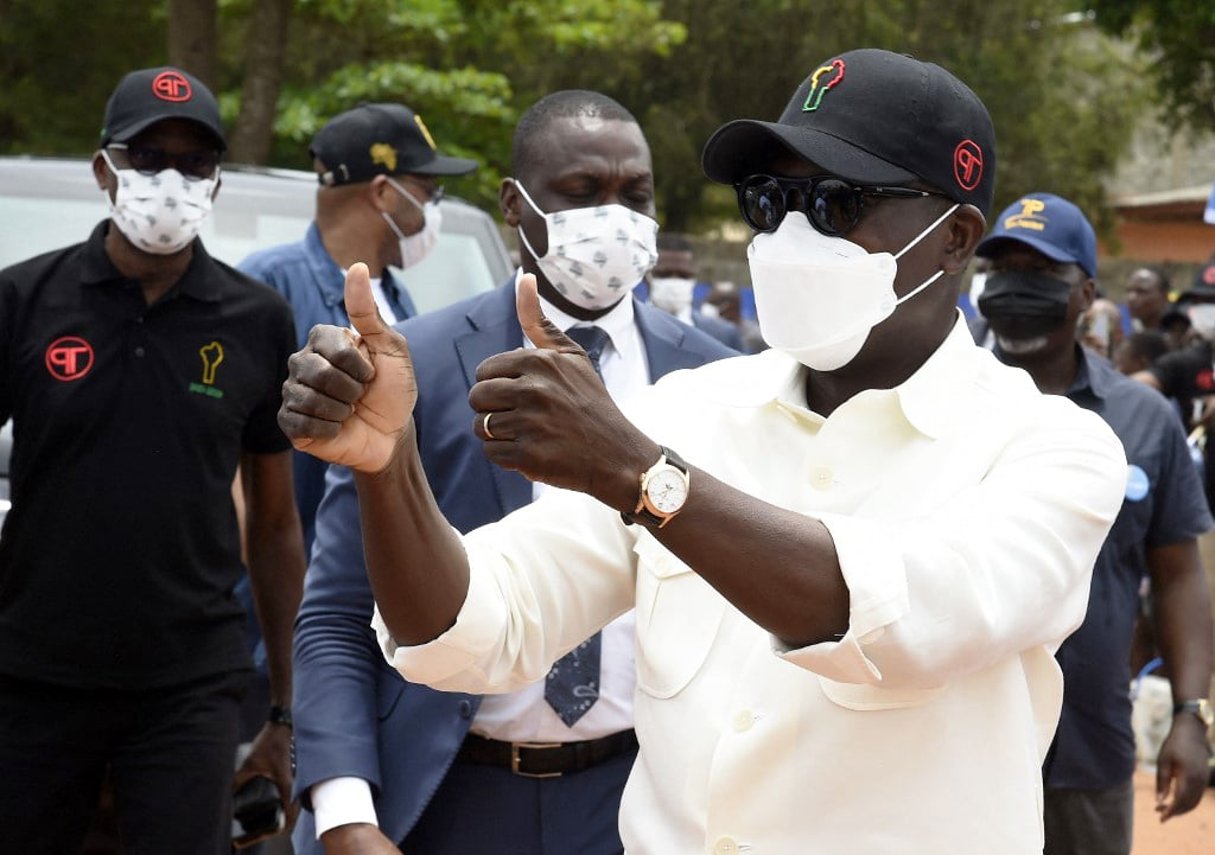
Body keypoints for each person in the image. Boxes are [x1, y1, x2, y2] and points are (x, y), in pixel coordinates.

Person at [279, 48, 1128, 853]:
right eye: (770, 201)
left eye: (836, 204)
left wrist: (640, 475)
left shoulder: (1050, 449)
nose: (793, 236)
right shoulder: (690, 411)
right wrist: (388, 465)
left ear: (953, 236)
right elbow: (468, 627)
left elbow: (896, 621)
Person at [290, 90, 735, 855]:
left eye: (635, 194)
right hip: (446, 798)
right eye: (582, 193)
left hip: (641, 802)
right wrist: (345, 816)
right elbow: (336, 610)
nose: (615, 219)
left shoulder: (717, 380)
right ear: (514, 203)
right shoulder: (416, 366)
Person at [0, 66, 304, 854]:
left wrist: (284, 711)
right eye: (147, 156)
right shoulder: (25, 301)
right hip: (32, 678)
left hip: (188, 688)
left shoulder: (256, 320)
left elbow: (274, 524)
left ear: (216, 180)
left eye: (194, 161)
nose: (170, 180)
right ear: (105, 170)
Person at [974, 191, 1213, 855]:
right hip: (946, 739)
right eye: (1001, 270)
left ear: (1084, 293)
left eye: (1039, 272)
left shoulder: (1142, 418)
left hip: (1085, 744)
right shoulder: (930, 403)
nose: (1016, 287)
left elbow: (1178, 574)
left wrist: (1191, 713)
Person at [239, 102, 476, 553]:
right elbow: (233, 461)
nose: (433, 206)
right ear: (385, 193)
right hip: (298, 581)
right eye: (428, 189)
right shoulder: (268, 285)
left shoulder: (398, 298)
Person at [646, 233, 744, 350]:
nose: (674, 281)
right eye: (664, 274)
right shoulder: (628, 329)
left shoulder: (724, 334)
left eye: (684, 275)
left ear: (694, 275)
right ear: (647, 275)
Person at [1126, 266, 1174, 334]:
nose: (1131, 298)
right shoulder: (1125, 331)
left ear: (1164, 296)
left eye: (1141, 291)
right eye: (1129, 291)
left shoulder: (1179, 336)